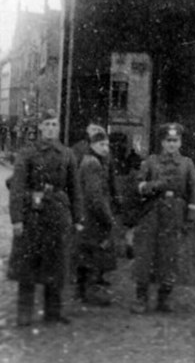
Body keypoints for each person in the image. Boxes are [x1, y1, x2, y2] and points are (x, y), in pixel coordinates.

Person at [8, 109, 84, 326]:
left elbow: (75, 189)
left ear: (58, 128)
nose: (51, 128)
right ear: (40, 127)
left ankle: (53, 312)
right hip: (33, 215)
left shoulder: (67, 154)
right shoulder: (28, 153)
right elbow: (18, 187)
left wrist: (78, 218)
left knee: (57, 264)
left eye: (54, 124)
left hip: (58, 215)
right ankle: (24, 313)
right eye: (47, 124)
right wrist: (17, 219)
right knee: (28, 266)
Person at [131, 122, 195, 314]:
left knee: (169, 256)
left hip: (174, 215)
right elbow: (137, 186)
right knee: (146, 255)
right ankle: (141, 298)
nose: (172, 144)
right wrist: (154, 186)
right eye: (168, 140)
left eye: (175, 141)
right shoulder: (151, 162)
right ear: (162, 142)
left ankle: (165, 297)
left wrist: (191, 217)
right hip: (152, 213)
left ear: (180, 143)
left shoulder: (187, 164)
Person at [74, 129, 116, 306]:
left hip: (86, 216)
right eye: (101, 144)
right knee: (93, 254)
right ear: (92, 145)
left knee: (85, 254)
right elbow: (95, 196)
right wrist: (108, 218)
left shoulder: (91, 161)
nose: (105, 148)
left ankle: (81, 291)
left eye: (107, 144)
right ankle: (90, 293)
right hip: (93, 217)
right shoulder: (93, 164)